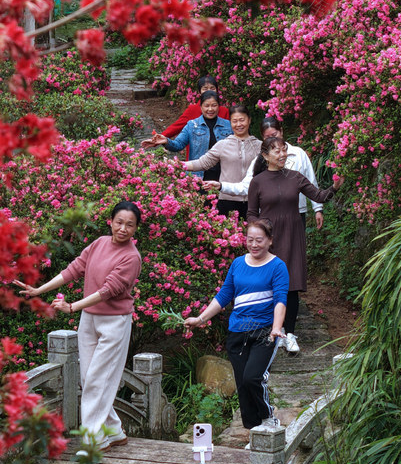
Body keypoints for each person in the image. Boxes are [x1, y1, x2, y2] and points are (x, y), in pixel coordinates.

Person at [14, 202, 142, 453]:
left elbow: (108, 291)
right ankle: (114, 430)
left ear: (136, 229)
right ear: (111, 221)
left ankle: (93, 440)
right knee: (88, 379)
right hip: (89, 319)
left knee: (97, 380)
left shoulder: (131, 257)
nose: (123, 228)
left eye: (130, 225)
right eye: (119, 222)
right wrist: (39, 290)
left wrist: (72, 307)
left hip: (114, 322)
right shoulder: (99, 243)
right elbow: (73, 270)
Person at [183, 218, 288, 435]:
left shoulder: (277, 266)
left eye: (259, 240)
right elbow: (224, 296)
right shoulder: (238, 264)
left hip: (264, 332)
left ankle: (268, 418)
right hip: (237, 333)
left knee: (253, 377)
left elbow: (280, 300)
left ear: (270, 240)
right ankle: (253, 429)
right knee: (242, 383)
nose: (254, 244)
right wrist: (200, 319)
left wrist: (277, 327)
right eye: (250, 239)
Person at [248, 137, 342, 354]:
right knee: (268, 285)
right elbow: (251, 213)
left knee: (291, 286)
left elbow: (319, 196)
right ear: (265, 156)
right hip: (269, 240)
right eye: (276, 151)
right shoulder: (258, 182)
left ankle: (289, 334)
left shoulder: (295, 177)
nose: (282, 155)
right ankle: (274, 330)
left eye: (284, 150)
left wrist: (335, 187)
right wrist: (259, 235)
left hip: (293, 236)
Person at [141, 91, 232, 181]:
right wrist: (166, 141)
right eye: (206, 106)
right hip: (198, 177)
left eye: (214, 105)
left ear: (219, 106)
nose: (210, 109)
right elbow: (178, 144)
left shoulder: (228, 125)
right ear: (201, 107)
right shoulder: (192, 125)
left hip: (224, 176)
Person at [160, 75, 231, 162]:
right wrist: (162, 137)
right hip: (197, 160)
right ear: (199, 92)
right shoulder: (192, 110)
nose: (209, 91)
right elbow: (177, 126)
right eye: (205, 89)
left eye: (212, 88)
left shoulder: (224, 111)